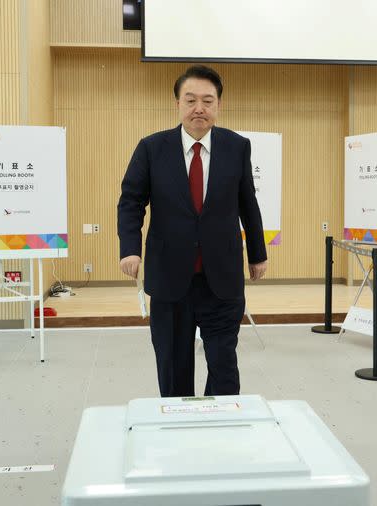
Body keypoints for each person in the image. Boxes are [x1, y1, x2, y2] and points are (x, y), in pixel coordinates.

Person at [117, 65, 268, 398]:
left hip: (222, 280)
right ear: (177, 104)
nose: (199, 108)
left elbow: (248, 203)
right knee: (173, 368)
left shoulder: (237, 147)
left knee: (224, 366)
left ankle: (219, 429)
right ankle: (177, 431)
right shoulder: (151, 148)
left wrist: (258, 254)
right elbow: (131, 202)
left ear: (218, 106)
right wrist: (130, 248)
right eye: (191, 100)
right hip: (171, 281)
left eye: (207, 101)